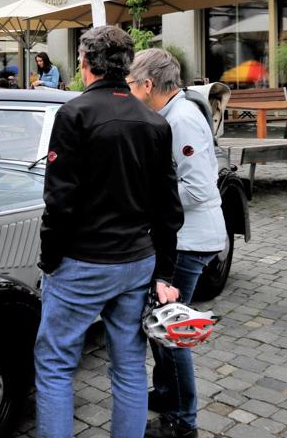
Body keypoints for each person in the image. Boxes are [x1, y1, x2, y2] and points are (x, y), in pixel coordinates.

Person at [34, 26, 183, 438]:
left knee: (56, 364)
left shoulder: (75, 114)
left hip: (83, 259)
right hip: (137, 260)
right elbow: (168, 207)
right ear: (126, 65)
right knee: (130, 365)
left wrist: (50, 258)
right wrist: (165, 271)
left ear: (84, 64)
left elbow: (58, 200)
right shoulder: (154, 121)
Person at [128, 49, 226, 438]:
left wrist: (145, 201)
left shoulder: (182, 120)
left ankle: (183, 421)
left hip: (191, 239)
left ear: (149, 85)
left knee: (172, 330)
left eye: (133, 85)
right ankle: (167, 392)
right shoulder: (170, 115)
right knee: (160, 323)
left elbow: (199, 189)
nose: (131, 91)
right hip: (182, 236)